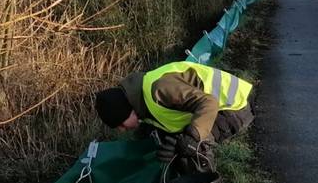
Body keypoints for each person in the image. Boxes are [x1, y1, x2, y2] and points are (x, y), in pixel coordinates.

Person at [94, 61, 255, 173]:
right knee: (172, 141)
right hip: (215, 108)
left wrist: (191, 138)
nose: (123, 130)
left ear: (127, 110)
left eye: (121, 124)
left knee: (191, 146)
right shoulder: (141, 103)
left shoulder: (160, 89)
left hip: (234, 106)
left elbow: (209, 103)